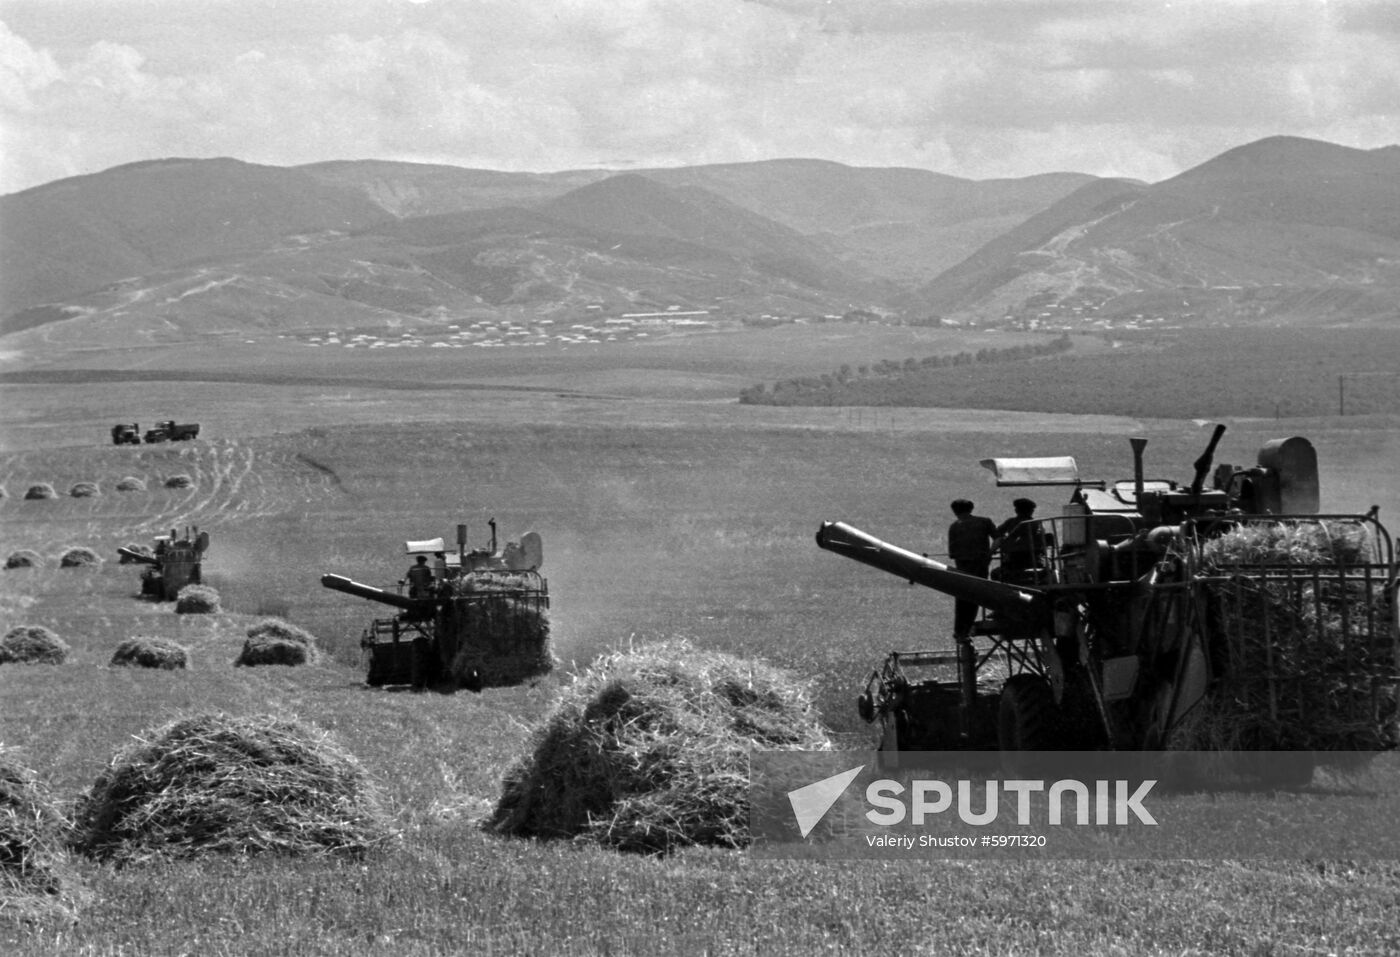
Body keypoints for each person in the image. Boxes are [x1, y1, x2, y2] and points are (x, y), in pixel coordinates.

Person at [947, 499, 997, 639]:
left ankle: (960, 630)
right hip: (980, 565)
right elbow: (998, 539)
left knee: (962, 598)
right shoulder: (984, 521)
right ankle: (966, 628)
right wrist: (990, 553)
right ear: (971, 509)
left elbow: (953, 553)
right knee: (975, 595)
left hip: (962, 567)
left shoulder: (954, 527)